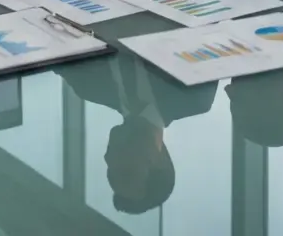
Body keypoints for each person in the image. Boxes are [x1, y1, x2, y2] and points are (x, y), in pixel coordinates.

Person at [62, 51, 215, 214]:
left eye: (110, 172)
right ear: (158, 162)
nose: (108, 158)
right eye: (125, 173)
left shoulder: (87, 86)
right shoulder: (195, 97)